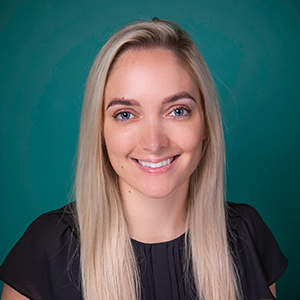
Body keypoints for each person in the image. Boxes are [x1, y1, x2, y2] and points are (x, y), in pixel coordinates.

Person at [0, 18, 288, 300]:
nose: (154, 142)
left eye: (177, 110)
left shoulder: (247, 235)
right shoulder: (48, 249)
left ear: (206, 125)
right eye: (125, 114)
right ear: (100, 131)